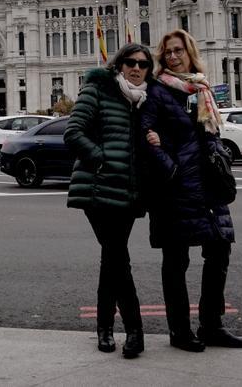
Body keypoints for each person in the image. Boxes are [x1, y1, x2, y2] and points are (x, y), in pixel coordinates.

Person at [141, 29, 242, 352]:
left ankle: (211, 324)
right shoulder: (156, 91)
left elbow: (210, 132)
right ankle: (180, 331)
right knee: (176, 260)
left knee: (219, 251)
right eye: (168, 52)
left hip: (207, 188)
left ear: (189, 53)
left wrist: (220, 155)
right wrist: (170, 167)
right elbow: (145, 134)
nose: (173, 56)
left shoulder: (201, 88)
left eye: (178, 51)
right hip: (174, 189)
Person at [65, 43, 156, 359]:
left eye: (142, 64)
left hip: (129, 193)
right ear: (119, 65)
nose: (135, 68)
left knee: (111, 259)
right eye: (129, 62)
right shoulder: (99, 89)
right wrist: (100, 158)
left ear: (148, 70)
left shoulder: (145, 100)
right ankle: (134, 330)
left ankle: (104, 328)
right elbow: (73, 131)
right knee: (119, 258)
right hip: (98, 189)